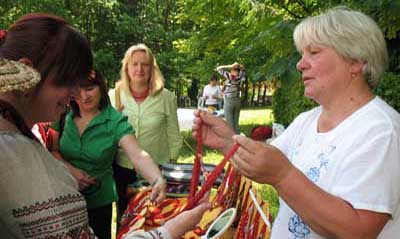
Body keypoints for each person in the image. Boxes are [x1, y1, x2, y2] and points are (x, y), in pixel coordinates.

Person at [0, 13, 213, 239]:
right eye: (69, 81)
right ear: (26, 72)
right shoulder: (11, 154)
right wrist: (169, 231)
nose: (76, 94)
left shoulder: (16, 143)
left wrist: (158, 178)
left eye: (86, 86)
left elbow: (137, 153)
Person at [193, 6, 400, 238]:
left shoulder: (381, 131)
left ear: (355, 62)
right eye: (302, 54)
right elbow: (264, 164)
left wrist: (283, 176)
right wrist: (227, 142)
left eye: (313, 52)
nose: (300, 64)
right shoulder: (307, 120)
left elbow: (358, 231)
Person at [51, 69, 167, 239]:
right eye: (77, 91)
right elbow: (51, 150)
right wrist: (70, 170)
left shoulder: (114, 120)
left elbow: (137, 154)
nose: (84, 96)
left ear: (101, 88)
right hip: (63, 198)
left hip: (99, 204)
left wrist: (157, 180)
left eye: (90, 88)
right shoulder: (62, 113)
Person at [110, 43, 182, 225]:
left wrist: (170, 166)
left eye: (145, 64)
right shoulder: (113, 96)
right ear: (126, 67)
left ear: (152, 68)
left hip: (156, 168)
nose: (139, 69)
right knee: (124, 220)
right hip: (124, 169)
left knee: (154, 220)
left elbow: (174, 135)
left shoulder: (166, 98)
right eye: (134, 64)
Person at [216, 62, 246, 133]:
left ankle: (232, 139)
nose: (230, 71)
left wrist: (230, 65)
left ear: (234, 71)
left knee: (229, 122)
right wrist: (242, 68)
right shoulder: (241, 77)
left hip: (229, 101)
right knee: (236, 122)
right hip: (237, 100)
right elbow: (243, 72)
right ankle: (238, 138)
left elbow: (218, 69)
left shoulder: (231, 77)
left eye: (232, 70)